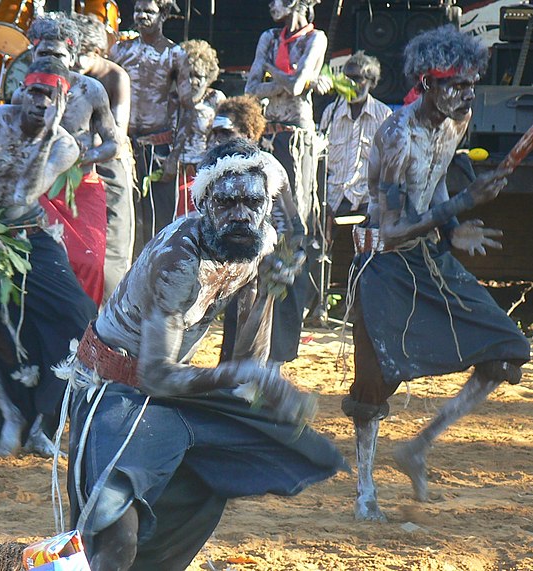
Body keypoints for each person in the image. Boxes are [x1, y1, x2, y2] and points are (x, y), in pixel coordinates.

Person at [60, 139, 347, 570]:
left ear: (265, 205)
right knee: (116, 527)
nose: (239, 214)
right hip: (115, 387)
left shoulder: (256, 246)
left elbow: (247, 355)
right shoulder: (179, 260)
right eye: (226, 202)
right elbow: (157, 375)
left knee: (207, 489)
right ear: (204, 204)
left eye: (251, 202)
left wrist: (269, 292)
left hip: (166, 389)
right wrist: (252, 378)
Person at [344, 25, 530, 522]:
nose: (467, 94)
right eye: (456, 84)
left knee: (508, 352)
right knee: (372, 386)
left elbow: (439, 183)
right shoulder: (396, 135)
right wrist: (467, 202)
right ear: (426, 82)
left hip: (430, 256)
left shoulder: (458, 119)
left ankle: (419, 446)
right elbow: (391, 228)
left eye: (472, 84)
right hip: (384, 262)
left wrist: (453, 227)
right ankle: (364, 490)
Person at [0, 56, 96, 457]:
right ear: (21, 90)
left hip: (30, 236)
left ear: (61, 103)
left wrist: (47, 132)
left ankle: (44, 424)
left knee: (80, 321)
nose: (40, 102)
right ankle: (8, 414)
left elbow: (21, 197)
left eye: (50, 96)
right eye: (35, 92)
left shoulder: (63, 145)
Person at [245, 0, 329, 362]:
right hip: (269, 138)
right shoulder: (268, 37)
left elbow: (295, 89)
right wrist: (286, 81)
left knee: (295, 234)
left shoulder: (316, 38)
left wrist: (273, 75)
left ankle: (280, 349)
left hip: (297, 143)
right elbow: (251, 89)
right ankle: (254, 339)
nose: (270, 5)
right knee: (263, 229)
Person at [18, 13, 120, 306]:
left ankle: (82, 340)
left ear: (73, 54)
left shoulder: (90, 90)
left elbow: (113, 143)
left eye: (58, 53)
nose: (51, 59)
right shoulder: (21, 94)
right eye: (43, 53)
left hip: (82, 187)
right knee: (42, 262)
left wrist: (81, 157)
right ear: (32, 54)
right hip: (38, 189)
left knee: (88, 263)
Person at [208, 96, 306, 364]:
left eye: (226, 132)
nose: (218, 139)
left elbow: (291, 223)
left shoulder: (267, 167)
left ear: (249, 134)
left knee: (268, 351)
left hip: (272, 258)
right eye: (214, 133)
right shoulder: (217, 168)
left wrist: (282, 260)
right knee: (236, 349)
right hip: (241, 261)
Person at [109, 0, 193, 253]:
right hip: (124, 147)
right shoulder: (119, 51)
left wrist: (174, 158)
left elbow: (187, 108)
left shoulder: (175, 54)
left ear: (164, 14)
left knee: (159, 223)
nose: (141, 16)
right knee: (126, 219)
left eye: (149, 11)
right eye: (138, 10)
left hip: (159, 149)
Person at [71, 12, 135, 301]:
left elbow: (117, 135)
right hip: (73, 170)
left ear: (95, 51)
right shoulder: (71, 77)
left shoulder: (115, 77)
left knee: (112, 251)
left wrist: (87, 151)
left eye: (80, 55)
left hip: (109, 168)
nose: (73, 62)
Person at [319, 51, 391, 231]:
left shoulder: (384, 115)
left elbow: (390, 168)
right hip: (332, 203)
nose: (350, 84)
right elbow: (319, 161)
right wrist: (322, 204)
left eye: (357, 79)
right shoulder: (331, 112)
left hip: (367, 204)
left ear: (371, 82)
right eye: (347, 78)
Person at [171, 38, 225, 218]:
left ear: (209, 78)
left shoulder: (216, 99)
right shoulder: (171, 99)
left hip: (205, 174)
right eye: (188, 75)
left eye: (198, 76)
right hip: (172, 174)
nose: (193, 82)